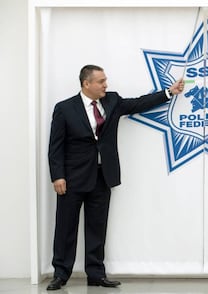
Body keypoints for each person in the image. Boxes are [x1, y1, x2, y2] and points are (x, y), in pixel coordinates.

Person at [46, 64, 184, 291]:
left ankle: (96, 274)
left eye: (105, 80)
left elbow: (138, 103)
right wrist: (58, 176)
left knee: (97, 227)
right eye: (101, 81)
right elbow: (55, 146)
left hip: (103, 176)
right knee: (65, 227)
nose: (105, 85)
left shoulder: (112, 101)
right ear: (86, 84)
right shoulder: (64, 108)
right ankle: (61, 274)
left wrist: (168, 92)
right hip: (72, 179)